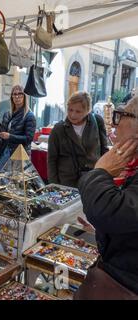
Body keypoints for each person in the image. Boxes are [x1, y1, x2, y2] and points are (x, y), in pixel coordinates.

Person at [75, 97, 138, 299]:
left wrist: (100, 171)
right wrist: (104, 232)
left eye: (120, 116)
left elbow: (110, 211)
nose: (114, 124)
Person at [48, 91, 108, 188]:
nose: (72, 115)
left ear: (87, 110)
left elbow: (104, 151)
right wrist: (54, 185)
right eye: (70, 110)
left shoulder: (97, 122)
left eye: (78, 111)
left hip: (91, 180)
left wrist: (104, 176)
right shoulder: (58, 129)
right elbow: (51, 159)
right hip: (67, 183)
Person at [0, 85, 36, 171]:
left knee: (13, 181)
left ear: (24, 96)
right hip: (4, 151)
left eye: (20, 94)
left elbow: (28, 138)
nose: (17, 96)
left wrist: (10, 136)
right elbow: (2, 133)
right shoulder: (7, 114)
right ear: (11, 97)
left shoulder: (29, 116)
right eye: (14, 94)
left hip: (19, 154)